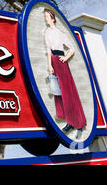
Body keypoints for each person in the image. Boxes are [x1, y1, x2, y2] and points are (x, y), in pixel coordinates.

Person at [44, 8, 86, 139]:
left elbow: (72, 48)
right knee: (58, 91)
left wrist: (66, 58)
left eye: (47, 16)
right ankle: (67, 119)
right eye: (45, 17)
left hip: (62, 62)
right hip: (54, 61)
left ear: (53, 18)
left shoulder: (60, 33)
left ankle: (76, 122)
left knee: (67, 91)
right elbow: (48, 50)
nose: (46, 19)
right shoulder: (46, 32)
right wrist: (50, 65)